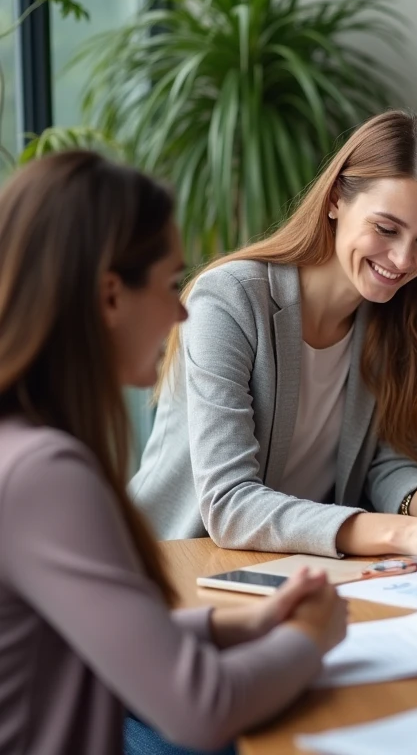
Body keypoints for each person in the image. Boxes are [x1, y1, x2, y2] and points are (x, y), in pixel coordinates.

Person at [0, 152, 348, 754]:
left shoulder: (24, 448)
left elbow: (91, 636)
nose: (182, 311)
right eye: (167, 284)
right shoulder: (44, 474)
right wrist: (313, 637)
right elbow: (202, 709)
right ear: (110, 296)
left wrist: (245, 623)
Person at [132, 110, 417, 567]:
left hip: (299, 570)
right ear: (336, 199)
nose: (402, 259)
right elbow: (229, 503)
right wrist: (406, 531)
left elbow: (386, 463)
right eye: (386, 228)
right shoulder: (230, 301)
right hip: (174, 568)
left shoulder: (397, 319)